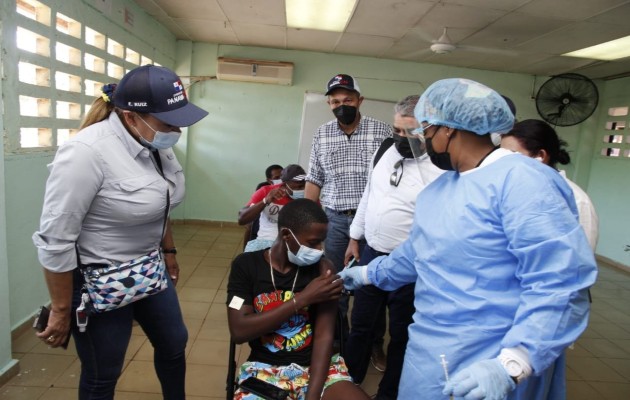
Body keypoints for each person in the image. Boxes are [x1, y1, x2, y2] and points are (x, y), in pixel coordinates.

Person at [339, 78, 598, 400]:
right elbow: (419, 252)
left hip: (491, 357)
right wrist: (367, 273)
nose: (421, 143)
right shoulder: (441, 189)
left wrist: (515, 362)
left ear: (448, 130)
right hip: (430, 349)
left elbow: (562, 281)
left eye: (425, 133)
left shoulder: (523, 181)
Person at [32, 65, 208, 399]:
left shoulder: (154, 140)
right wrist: (60, 309)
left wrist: (168, 252)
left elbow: (160, 204)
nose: (177, 130)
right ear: (129, 117)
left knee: (174, 343)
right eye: (169, 123)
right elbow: (56, 240)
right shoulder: (86, 153)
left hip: (148, 269)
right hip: (99, 281)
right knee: (103, 373)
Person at [343, 94, 444, 399]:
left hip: (410, 266)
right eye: (396, 130)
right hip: (372, 256)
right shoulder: (385, 150)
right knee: (360, 324)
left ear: (429, 130)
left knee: (401, 334)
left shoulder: (440, 169)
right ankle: (348, 381)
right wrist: (354, 237)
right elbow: (369, 196)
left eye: (409, 132)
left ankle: (389, 393)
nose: (401, 138)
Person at [227, 199, 371, 400]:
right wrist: (303, 299)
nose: (320, 249)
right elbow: (239, 330)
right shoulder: (246, 266)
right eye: (313, 242)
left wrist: (312, 396)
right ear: (286, 235)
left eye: (322, 241)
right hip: (265, 369)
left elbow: (324, 337)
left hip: (318, 367)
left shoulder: (323, 269)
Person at [304, 73, 392, 340]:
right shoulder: (322, 133)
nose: (342, 105)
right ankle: (337, 340)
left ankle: (372, 342)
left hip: (372, 222)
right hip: (334, 221)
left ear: (360, 100)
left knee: (373, 284)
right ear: (329, 104)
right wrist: (306, 223)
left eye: (348, 100)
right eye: (335, 101)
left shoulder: (383, 131)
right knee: (334, 283)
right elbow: (314, 178)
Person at [501, 119, 599, 250]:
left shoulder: (578, 200)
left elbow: (582, 256)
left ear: (541, 155)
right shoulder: (511, 190)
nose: (502, 163)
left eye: (512, 156)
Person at [238, 164, 307, 252]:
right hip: (266, 242)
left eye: (304, 185)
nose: (302, 189)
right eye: (298, 187)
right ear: (285, 184)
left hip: (296, 244)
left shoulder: (309, 195)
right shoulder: (265, 191)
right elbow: (242, 219)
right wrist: (265, 201)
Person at [242, 164, 284, 250]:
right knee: (251, 227)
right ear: (269, 180)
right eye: (277, 178)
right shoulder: (263, 190)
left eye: (282, 176)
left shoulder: (291, 192)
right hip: (264, 227)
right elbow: (246, 212)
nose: (280, 179)